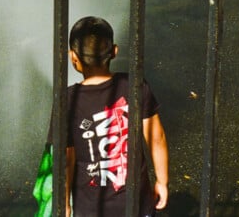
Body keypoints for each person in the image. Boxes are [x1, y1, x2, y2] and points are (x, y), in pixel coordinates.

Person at [54, 16, 169, 216]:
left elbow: (66, 158)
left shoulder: (68, 100)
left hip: (91, 209)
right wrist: (162, 180)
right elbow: (156, 137)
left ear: (73, 57)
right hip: (137, 204)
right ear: (114, 51)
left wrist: (64, 204)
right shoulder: (134, 86)